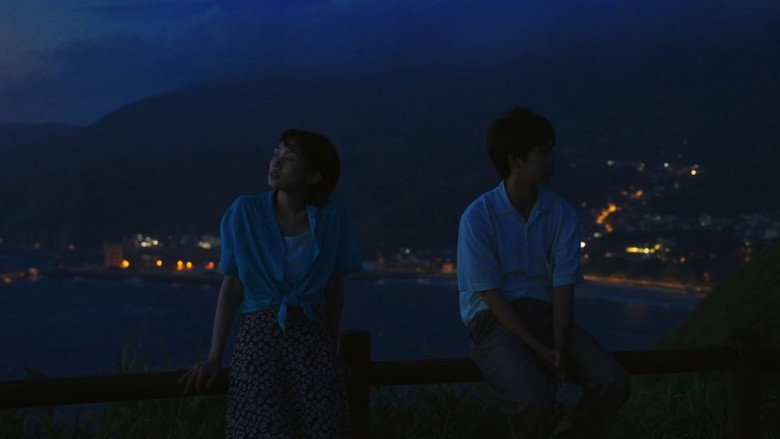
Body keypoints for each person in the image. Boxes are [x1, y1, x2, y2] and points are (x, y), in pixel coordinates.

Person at [457, 107, 630, 438]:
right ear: (516, 160)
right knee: (534, 401)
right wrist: (541, 351)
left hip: (545, 315)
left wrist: (558, 346)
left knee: (612, 382)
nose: (551, 160)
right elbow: (491, 295)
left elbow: (564, 288)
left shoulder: (561, 213)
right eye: (543, 152)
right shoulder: (478, 217)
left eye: (551, 150)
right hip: (492, 322)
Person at [179, 129, 362, 438]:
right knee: (260, 428)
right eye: (275, 155)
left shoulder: (333, 218)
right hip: (258, 345)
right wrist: (214, 357)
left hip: (312, 345)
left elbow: (334, 289)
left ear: (313, 176)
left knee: (320, 427)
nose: (275, 164)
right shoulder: (244, 212)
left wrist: (332, 352)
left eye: (289, 159)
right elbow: (232, 286)